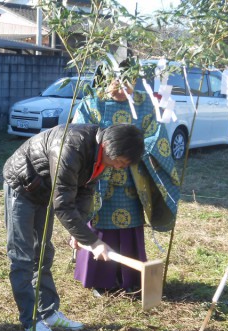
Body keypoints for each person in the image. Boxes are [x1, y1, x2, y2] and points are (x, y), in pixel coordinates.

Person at [3, 123, 145, 331]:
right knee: (22, 254)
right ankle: (30, 320)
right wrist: (93, 241)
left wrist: (79, 232)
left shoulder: (100, 154)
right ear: (108, 146)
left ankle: (49, 312)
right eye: (120, 162)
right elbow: (62, 204)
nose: (119, 167)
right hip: (23, 185)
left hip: (45, 189)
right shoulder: (70, 148)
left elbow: (84, 190)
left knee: (42, 252)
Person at [72, 76, 180, 294]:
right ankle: (99, 279)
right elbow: (80, 132)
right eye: (115, 84)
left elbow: (156, 136)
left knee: (129, 227)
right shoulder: (93, 101)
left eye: (126, 84)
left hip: (133, 175)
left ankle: (129, 279)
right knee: (98, 222)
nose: (121, 90)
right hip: (99, 174)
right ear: (105, 81)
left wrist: (133, 151)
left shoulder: (145, 102)